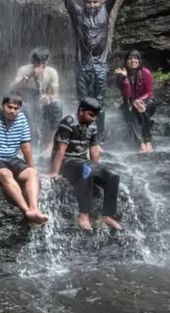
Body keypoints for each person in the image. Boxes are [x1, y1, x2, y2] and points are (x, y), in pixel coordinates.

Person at [44, 0, 133, 138]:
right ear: (84, 2)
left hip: (100, 64)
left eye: (95, 2)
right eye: (89, 2)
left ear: (100, 2)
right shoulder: (77, 14)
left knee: (100, 100)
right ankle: (82, 133)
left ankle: (98, 137)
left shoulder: (105, 11)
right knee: (83, 99)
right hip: (82, 63)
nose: (92, 5)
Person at [0, 94, 49, 226]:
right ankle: (27, 211)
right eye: (9, 107)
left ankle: (34, 209)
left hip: (11, 158)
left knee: (32, 174)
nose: (12, 111)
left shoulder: (22, 119)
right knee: (5, 174)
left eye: (16, 108)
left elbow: (26, 147)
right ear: (2, 106)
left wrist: (32, 168)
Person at [48, 97, 123, 232]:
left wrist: (98, 170)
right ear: (81, 111)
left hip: (82, 161)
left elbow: (94, 150)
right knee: (87, 171)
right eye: (91, 115)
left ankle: (107, 215)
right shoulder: (68, 123)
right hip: (67, 161)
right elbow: (60, 149)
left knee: (113, 175)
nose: (94, 119)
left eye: (96, 116)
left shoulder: (92, 126)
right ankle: (83, 215)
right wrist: (54, 171)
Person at [9, 47, 63, 154]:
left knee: (58, 105)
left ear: (46, 63)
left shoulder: (52, 73)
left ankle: (50, 145)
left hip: (43, 101)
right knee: (18, 106)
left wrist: (49, 98)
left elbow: (55, 94)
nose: (37, 67)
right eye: (35, 64)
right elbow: (12, 89)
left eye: (41, 64)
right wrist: (26, 78)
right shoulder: (24, 70)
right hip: (26, 100)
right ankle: (18, 145)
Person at [114, 49, 158, 154]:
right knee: (128, 112)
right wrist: (125, 78)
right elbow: (127, 96)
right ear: (126, 62)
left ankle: (148, 141)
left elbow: (149, 92)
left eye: (136, 58)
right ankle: (140, 143)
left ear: (139, 60)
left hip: (147, 101)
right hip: (130, 103)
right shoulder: (121, 76)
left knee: (141, 108)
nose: (133, 60)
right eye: (130, 58)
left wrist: (138, 100)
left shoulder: (146, 73)